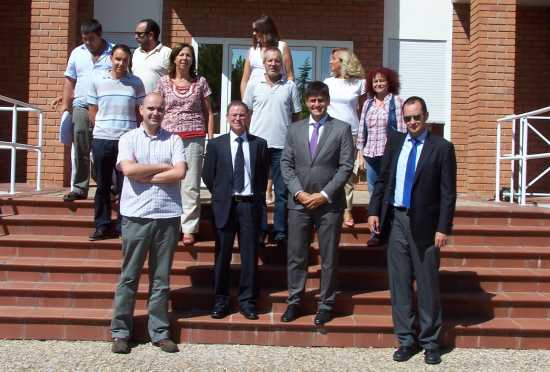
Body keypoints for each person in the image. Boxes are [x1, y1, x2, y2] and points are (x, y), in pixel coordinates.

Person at [367, 96, 456, 365]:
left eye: (417, 117)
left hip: (426, 227)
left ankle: (430, 342)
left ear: (426, 116)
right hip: (396, 222)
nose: (412, 122)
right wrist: (373, 210)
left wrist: (443, 227)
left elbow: (448, 193)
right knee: (400, 285)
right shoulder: (395, 143)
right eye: (407, 118)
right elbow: (382, 179)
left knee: (427, 285)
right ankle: (406, 340)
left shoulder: (442, 148)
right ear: (402, 119)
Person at [111, 92, 187, 354]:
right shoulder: (128, 138)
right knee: (129, 277)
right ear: (140, 109)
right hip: (136, 216)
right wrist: (160, 167)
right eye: (151, 108)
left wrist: (148, 174)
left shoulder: (174, 139)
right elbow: (129, 170)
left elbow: (180, 172)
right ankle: (121, 332)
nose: (156, 113)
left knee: (161, 279)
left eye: (160, 109)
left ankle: (160, 332)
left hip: (167, 217)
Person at [280, 81, 354, 326]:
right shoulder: (294, 129)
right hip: (299, 203)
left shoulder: (341, 129)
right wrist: (299, 193)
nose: (317, 104)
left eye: (321, 100)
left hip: (329, 204)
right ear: (306, 102)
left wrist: (324, 194)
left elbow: (346, 166)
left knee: (329, 257)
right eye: (312, 100)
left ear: (327, 101)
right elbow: (286, 165)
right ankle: (294, 301)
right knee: (296, 256)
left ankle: (326, 304)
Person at [202, 101, 269, 320]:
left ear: (248, 117)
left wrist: (256, 198)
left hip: (249, 206)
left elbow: (261, 175)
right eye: (234, 115)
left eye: (242, 115)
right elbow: (208, 176)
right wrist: (221, 194)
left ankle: (247, 301)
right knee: (222, 257)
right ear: (227, 118)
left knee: (249, 257)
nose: (238, 119)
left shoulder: (260, 144)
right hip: (225, 206)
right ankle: (220, 301)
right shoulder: (215, 145)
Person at [155, 43, 214, 246]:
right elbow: (156, 108)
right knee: (167, 182)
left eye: (188, 55)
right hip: (167, 139)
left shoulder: (201, 82)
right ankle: (166, 224)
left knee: (190, 185)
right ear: (174, 59)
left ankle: (188, 228)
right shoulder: (163, 82)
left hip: (194, 138)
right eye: (181, 55)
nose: (184, 58)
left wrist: (210, 138)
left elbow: (208, 112)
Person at [243, 47, 301, 246]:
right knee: (257, 191)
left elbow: (296, 116)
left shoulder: (290, 86)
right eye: (270, 61)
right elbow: (246, 114)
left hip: (283, 147)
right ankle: (260, 230)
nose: (274, 64)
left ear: (282, 63)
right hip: (257, 145)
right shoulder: (253, 85)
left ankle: (280, 231)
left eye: (277, 60)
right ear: (264, 63)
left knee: (282, 193)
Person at [87, 44, 145, 241]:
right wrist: (103, 128)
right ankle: (102, 225)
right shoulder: (97, 80)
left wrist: (135, 135)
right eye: (118, 59)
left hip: (126, 141)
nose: (121, 63)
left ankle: (123, 225)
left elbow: (139, 112)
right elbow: (92, 110)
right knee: (102, 185)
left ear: (129, 62)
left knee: (125, 186)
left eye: (125, 60)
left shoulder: (136, 83)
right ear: (111, 58)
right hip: (102, 139)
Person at [55, 19, 113, 202]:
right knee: (80, 147)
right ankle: (79, 188)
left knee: (102, 149)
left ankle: (107, 186)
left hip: (105, 108)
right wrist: (66, 105)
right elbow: (70, 81)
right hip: (81, 106)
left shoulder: (113, 52)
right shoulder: (77, 53)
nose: (88, 43)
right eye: (85, 39)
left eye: (91, 39)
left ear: (100, 35)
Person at [356, 67, 406, 246]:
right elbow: (362, 129)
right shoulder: (368, 103)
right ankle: (375, 233)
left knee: (390, 191)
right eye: (375, 81)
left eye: (382, 80)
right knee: (373, 193)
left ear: (389, 82)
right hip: (370, 153)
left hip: (389, 155)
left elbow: (401, 129)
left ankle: (390, 230)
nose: (378, 84)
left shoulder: (397, 102)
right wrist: (360, 154)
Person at [323, 48, 367, 228]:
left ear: (342, 62)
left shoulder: (360, 84)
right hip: (330, 132)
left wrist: (363, 144)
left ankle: (347, 210)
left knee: (347, 174)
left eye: (332, 59)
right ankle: (329, 209)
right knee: (327, 171)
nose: (330, 63)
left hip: (352, 133)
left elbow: (365, 111)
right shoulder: (328, 83)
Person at [239, 14, 295, 98]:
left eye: (256, 30)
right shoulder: (252, 51)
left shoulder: (282, 47)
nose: (254, 33)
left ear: (267, 30)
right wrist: (245, 103)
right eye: (253, 30)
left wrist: (287, 97)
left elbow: (290, 76)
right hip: (254, 100)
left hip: (276, 98)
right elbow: (244, 80)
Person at [132, 19, 171, 94]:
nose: (136, 36)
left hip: (157, 103)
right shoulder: (136, 52)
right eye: (135, 33)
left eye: (139, 34)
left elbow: (174, 79)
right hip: (137, 103)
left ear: (151, 35)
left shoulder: (167, 53)